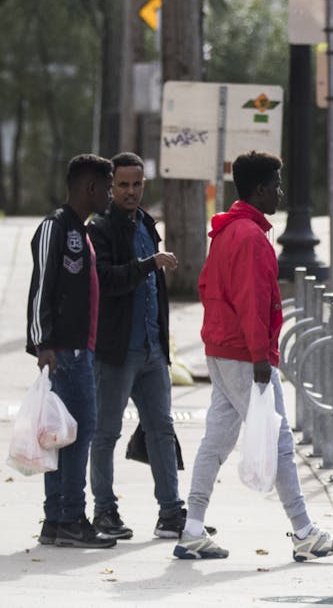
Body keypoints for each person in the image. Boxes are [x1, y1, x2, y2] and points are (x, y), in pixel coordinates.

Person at [175, 151, 333, 562]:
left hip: (221, 349)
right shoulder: (251, 238)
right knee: (280, 440)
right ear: (260, 189)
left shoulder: (226, 231)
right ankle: (305, 532)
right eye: (276, 184)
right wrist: (259, 358)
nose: (280, 192)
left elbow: (207, 287)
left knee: (215, 441)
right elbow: (253, 302)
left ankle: (193, 529)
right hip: (244, 354)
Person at [86, 152, 186, 541]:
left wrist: (162, 340)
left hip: (151, 350)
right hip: (116, 351)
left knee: (161, 429)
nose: (130, 191)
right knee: (105, 432)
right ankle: (104, 511)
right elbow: (105, 281)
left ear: (145, 185)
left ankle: (171, 513)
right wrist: (148, 263)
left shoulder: (146, 222)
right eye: (122, 185)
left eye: (136, 184)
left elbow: (154, 291)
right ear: (110, 188)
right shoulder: (102, 229)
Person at [28, 154, 115, 548]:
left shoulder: (82, 230)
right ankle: (69, 517)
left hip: (82, 349)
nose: (111, 196)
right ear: (91, 187)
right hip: (63, 351)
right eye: (108, 187)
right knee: (77, 433)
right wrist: (43, 343)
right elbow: (41, 286)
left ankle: (57, 519)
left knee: (63, 434)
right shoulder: (55, 226)